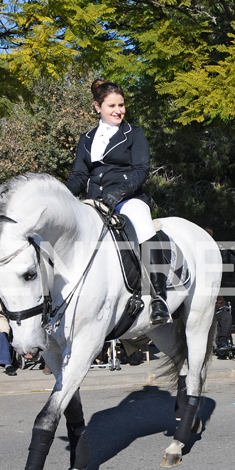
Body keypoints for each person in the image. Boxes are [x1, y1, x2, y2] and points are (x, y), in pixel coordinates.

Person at [65, 79, 170, 325]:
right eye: (112, 105)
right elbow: (80, 175)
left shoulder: (134, 134)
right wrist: (63, 197)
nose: (118, 110)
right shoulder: (87, 138)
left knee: (143, 224)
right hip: (93, 200)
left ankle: (159, 297)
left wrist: (119, 193)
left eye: (121, 105)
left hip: (127, 198)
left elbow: (141, 170)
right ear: (97, 107)